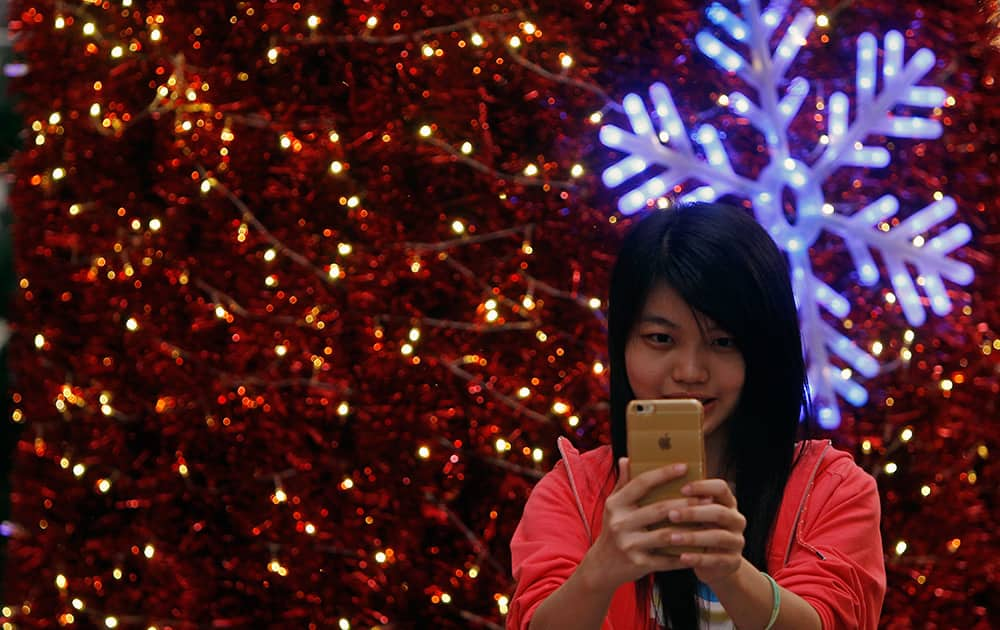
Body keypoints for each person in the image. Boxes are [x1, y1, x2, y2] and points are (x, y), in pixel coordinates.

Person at [508, 202, 886, 629]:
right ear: (623, 344)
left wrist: (731, 574)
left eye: (722, 342)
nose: (689, 372)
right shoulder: (572, 494)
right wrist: (601, 570)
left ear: (762, 351)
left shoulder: (833, 490)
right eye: (660, 338)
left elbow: (831, 620)